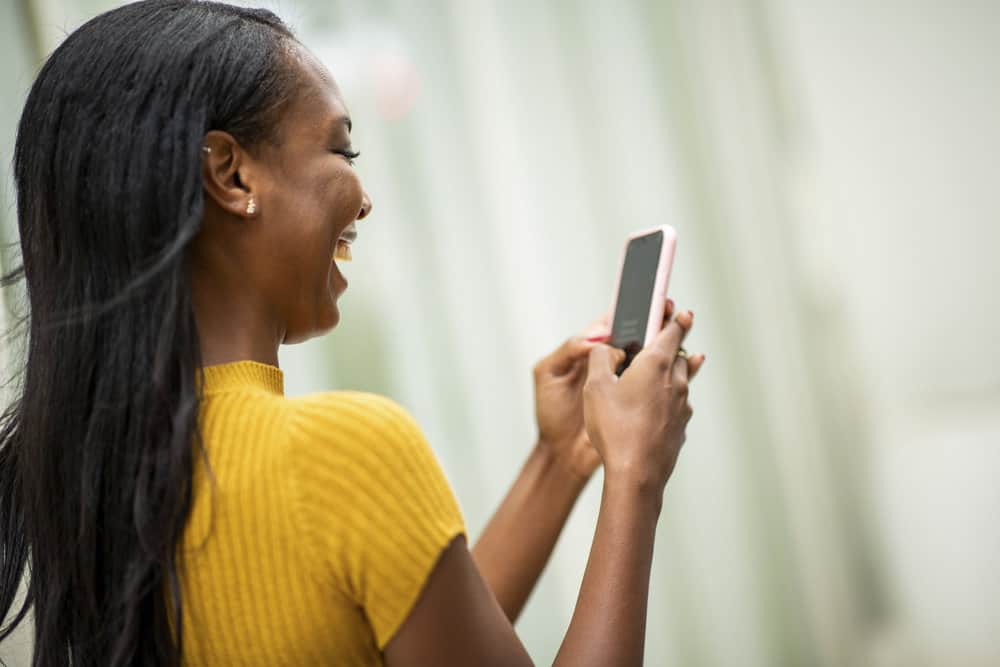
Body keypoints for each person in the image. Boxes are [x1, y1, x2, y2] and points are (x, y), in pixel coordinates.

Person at [0, 1, 705, 665]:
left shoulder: (95, 486)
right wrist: (635, 471)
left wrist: (560, 459)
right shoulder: (342, 451)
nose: (363, 198)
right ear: (230, 172)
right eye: (343, 152)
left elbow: (385, 632)